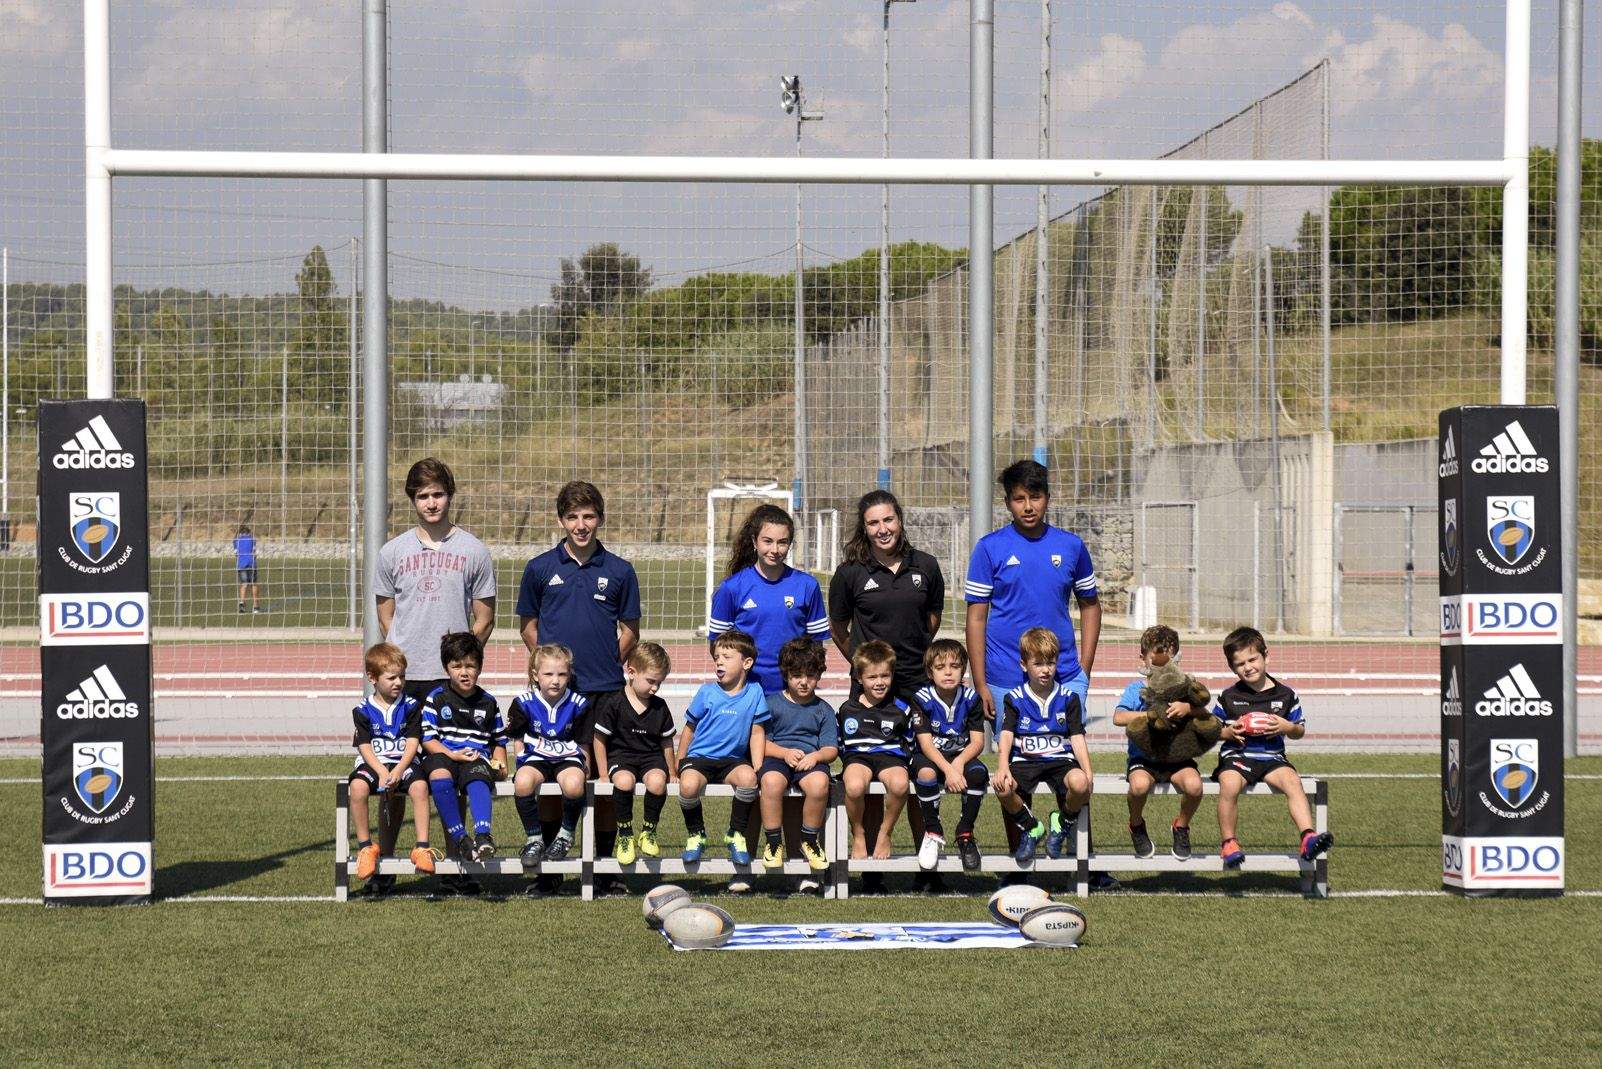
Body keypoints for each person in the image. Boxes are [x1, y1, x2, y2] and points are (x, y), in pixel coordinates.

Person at [516, 480, 641, 894]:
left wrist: (609, 663)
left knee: (601, 780)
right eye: (572, 517)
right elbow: (528, 626)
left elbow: (631, 631)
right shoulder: (539, 568)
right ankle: (551, 873)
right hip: (553, 695)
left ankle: (605, 869)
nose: (581, 524)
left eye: (589, 516)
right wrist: (547, 667)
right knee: (550, 772)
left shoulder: (620, 570)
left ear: (600, 519)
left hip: (603, 692)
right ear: (560, 520)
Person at [964, 459, 1100, 731]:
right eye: (1019, 499)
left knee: (1068, 760)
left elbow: (1091, 606)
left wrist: (1083, 671)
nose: (1028, 506)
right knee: (1013, 761)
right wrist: (980, 682)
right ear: (1007, 503)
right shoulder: (989, 548)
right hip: (1005, 675)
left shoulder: (1072, 546)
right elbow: (976, 619)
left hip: (1063, 674)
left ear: (1047, 499)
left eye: (1035, 497)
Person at [1212, 626, 1334, 869]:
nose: (1248, 667)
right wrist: (1228, 731)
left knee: (1292, 781)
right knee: (1229, 784)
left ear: (1266, 655)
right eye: (1239, 664)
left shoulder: (1287, 695)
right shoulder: (1228, 696)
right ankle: (1229, 842)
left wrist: (1285, 727)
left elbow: (1299, 731)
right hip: (1237, 756)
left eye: (1252, 659)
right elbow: (1211, 730)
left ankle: (1307, 837)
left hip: (1272, 758)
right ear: (1232, 667)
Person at [376, 458, 496, 698]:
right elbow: (385, 619)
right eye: (422, 496)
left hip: (451, 676)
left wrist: (461, 661)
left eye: (438, 495)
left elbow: (484, 621)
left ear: (449, 495)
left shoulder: (474, 550)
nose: (431, 504)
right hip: (405, 674)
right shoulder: (391, 551)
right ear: (413, 500)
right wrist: (402, 658)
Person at [827, 490, 945, 702]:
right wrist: (864, 664)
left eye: (888, 520)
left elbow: (933, 615)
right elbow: (837, 629)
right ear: (864, 529)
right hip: (871, 685)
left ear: (899, 520)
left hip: (916, 680)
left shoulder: (927, 565)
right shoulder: (849, 572)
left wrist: (916, 648)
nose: (883, 529)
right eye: (873, 523)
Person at [676, 630, 768, 885]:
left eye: (727, 657)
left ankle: (735, 833)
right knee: (688, 785)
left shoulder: (755, 692)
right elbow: (689, 729)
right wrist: (680, 761)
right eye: (717, 657)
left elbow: (757, 733)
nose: (719, 662)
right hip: (701, 757)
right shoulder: (707, 692)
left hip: (732, 761)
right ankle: (696, 834)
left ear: (746, 663)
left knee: (748, 778)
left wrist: (758, 766)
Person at [994, 628, 1093, 863]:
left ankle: (1062, 822)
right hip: (1025, 760)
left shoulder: (1069, 698)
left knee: (1080, 784)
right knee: (1002, 787)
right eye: (1038, 663)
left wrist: (1087, 771)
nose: (1045, 669)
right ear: (1024, 665)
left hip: (1060, 760)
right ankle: (1032, 827)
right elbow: (1006, 734)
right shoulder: (1014, 698)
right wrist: (1002, 766)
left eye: (1050, 662)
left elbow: (1077, 737)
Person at [708, 504, 828, 695]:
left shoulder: (807, 586)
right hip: (746, 692)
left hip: (792, 694)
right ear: (755, 541)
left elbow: (816, 645)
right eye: (767, 541)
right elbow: (717, 645)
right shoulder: (731, 588)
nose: (775, 549)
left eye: (782, 542)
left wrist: (802, 678)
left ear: (790, 544)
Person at [1112, 624, 1206, 861]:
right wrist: (1150, 715)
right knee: (1139, 786)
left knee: (1195, 787)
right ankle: (1136, 824)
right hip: (1144, 759)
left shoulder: (1184, 688)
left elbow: (1205, 716)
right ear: (1143, 659)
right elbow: (1118, 717)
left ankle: (1181, 827)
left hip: (1177, 759)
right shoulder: (1136, 690)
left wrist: (1188, 707)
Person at [348, 642, 435, 888]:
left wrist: (397, 770)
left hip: (403, 763)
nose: (398, 682)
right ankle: (366, 847)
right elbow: (364, 746)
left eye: (402, 677)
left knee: (419, 787)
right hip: (376, 765)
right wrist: (382, 771)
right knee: (358, 788)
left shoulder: (411, 706)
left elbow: (413, 742)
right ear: (372, 678)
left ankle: (421, 847)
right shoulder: (363, 709)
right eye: (392, 677)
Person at [505, 644, 590, 890]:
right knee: (522, 782)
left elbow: (583, 740)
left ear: (569, 675)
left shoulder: (579, 703)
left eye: (562, 675)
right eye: (549, 674)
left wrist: (585, 763)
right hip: (536, 758)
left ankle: (565, 834)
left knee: (574, 784)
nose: (556, 681)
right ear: (535, 675)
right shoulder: (523, 702)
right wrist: (520, 760)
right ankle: (534, 839)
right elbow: (517, 738)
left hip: (566, 757)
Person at [420, 632, 506, 876]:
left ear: (480, 667)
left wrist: (501, 763)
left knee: (479, 777)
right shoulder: (436, 698)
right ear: (447, 668)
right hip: (444, 754)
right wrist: (452, 754)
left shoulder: (488, 702)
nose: (464, 672)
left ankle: (482, 835)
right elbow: (428, 740)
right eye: (456, 666)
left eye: (470, 666)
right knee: (438, 774)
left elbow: (498, 739)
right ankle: (460, 838)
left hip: (474, 756)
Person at [758, 637, 837, 891]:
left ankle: (809, 840)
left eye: (810, 675)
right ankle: (773, 841)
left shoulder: (823, 709)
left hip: (809, 762)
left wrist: (815, 757)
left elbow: (831, 749)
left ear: (819, 675)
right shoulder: (771, 704)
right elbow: (762, 744)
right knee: (770, 782)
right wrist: (783, 753)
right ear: (785, 675)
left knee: (819, 783)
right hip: (778, 758)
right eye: (796, 675)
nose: (804, 682)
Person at [590, 643, 678, 866]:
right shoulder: (614, 703)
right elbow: (599, 740)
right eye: (651, 681)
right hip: (621, 758)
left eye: (659, 682)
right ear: (631, 672)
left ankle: (649, 830)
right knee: (624, 781)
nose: (655, 688)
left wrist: (672, 771)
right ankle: (625, 833)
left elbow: (666, 741)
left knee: (658, 783)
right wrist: (602, 773)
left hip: (650, 758)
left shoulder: (660, 707)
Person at [837, 640, 913, 891]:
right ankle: (858, 834)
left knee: (901, 784)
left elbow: (910, 740)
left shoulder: (901, 708)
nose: (879, 682)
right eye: (872, 677)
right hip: (858, 756)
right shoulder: (848, 708)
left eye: (885, 676)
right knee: (855, 786)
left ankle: (885, 833)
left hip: (891, 757)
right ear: (859, 678)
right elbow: (841, 743)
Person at [909, 639, 988, 876]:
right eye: (941, 667)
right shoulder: (921, 698)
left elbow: (977, 742)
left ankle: (965, 833)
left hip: (959, 756)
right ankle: (933, 831)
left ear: (963, 670)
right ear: (929, 672)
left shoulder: (971, 698)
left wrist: (959, 763)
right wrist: (949, 769)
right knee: (926, 773)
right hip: (930, 756)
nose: (948, 672)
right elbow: (925, 744)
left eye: (954, 666)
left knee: (979, 773)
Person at [234, 524, 260, 614]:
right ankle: (256, 606)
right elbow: (254, 552)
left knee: (244, 584)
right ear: (248, 532)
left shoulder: (236, 541)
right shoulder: (252, 539)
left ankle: (242, 604)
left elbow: (236, 554)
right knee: (254, 584)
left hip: (241, 565)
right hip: (252, 564)